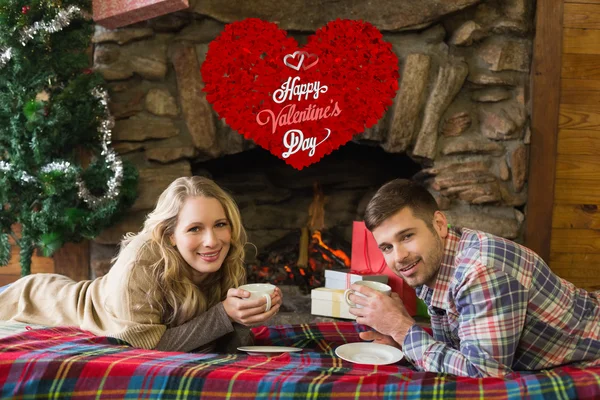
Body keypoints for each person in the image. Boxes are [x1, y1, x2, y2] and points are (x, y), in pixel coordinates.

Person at [347, 178, 600, 378]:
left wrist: (402, 328)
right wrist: (403, 340)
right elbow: (462, 346)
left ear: (439, 224)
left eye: (406, 236)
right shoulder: (432, 265)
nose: (399, 257)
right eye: (387, 247)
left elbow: (483, 374)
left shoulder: (480, 270)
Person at [0, 176, 282, 352]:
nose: (212, 241)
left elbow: (224, 343)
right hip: (36, 300)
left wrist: (246, 317)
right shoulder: (141, 259)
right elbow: (146, 347)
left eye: (220, 225)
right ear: (171, 235)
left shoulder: (225, 253)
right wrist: (224, 314)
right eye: (195, 228)